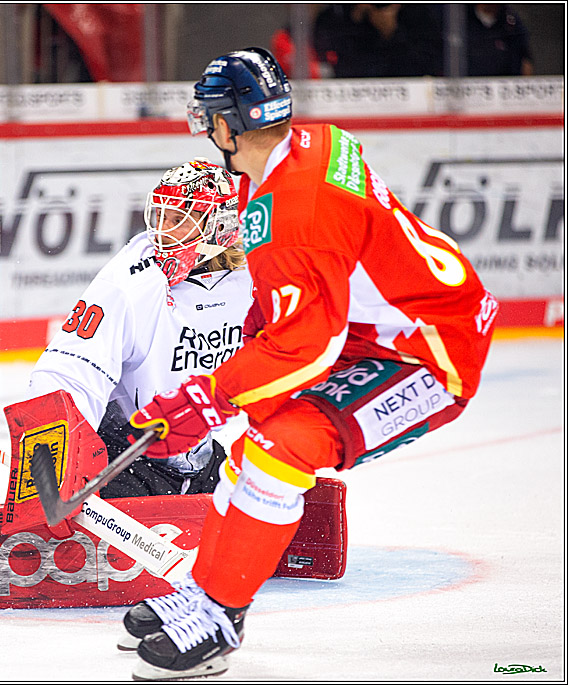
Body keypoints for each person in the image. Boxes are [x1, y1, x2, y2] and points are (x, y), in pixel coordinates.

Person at [123, 48, 497, 680]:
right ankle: (206, 587)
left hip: (430, 352)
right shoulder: (315, 144)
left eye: (210, 118)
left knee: (283, 446)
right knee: (250, 441)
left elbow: (307, 343)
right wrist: (242, 369)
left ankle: (219, 614)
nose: (209, 131)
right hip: (380, 329)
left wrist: (206, 397)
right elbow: (316, 292)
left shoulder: (293, 217)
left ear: (228, 126)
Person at [0, 158, 256, 609]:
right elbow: (70, 372)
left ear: (220, 226)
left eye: (179, 220)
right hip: (131, 458)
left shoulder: (256, 275)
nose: (163, 232)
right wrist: (48, 468)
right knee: (53, 538)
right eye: (160, 216)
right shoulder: (131, 282)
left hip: (213, 453)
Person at [312, 4, 443, 77]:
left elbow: (429, 68)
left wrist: (392, 33)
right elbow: (332, 68)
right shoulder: (335, 16)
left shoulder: (419, 14)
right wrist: (354, 21)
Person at [465, 4, 535, 76]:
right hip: (465, 83)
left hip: (506, 83)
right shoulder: (460, 17)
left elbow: (526, 62)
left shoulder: (511, 21)